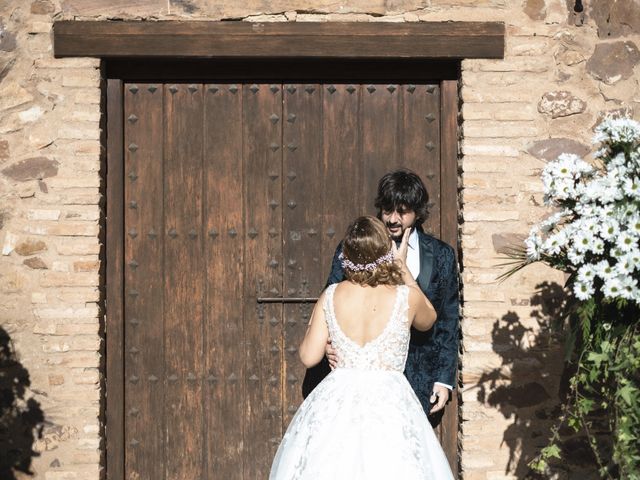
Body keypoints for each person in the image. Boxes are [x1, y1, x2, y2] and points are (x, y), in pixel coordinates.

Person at [269, 216, 454, 479]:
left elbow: (309, 357)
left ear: (347, 254)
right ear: (384, 251)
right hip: (391, 401)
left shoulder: (331, 294)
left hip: (337, 400)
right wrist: (403, 269)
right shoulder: (406, 296)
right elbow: (429, 321)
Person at [302, 169, 460, 425]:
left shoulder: (442, 255)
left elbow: (447, 321)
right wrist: (328, 345)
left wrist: (443, 379)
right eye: (388, 210)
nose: (393, 219)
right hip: (357, 388)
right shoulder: (352, 249)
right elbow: (331, 300)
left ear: (418, 213)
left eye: (402, 211)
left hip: (420, 380)